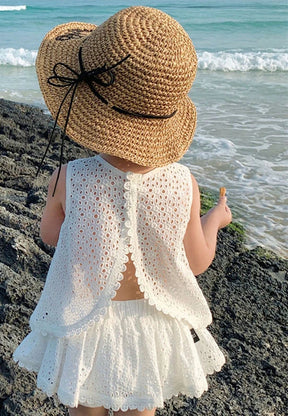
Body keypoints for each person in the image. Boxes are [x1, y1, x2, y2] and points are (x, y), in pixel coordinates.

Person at [13, 6, 232, 416]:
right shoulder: (181, 182)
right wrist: (215, 220)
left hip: (86, 321)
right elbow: (197, 261)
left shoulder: (69, 177)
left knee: (83, 408)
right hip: (151, 327)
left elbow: (53, 236)